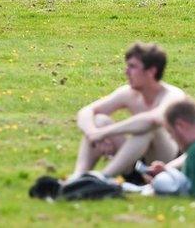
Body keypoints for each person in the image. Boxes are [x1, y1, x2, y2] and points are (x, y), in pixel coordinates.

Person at [70, 43, 186, 180]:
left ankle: (102, 177)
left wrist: (103, 133)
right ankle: (77, 178)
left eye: (132, 66)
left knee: (148, 129)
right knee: (100, 120)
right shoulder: (129, 93)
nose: (126, 71)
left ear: (151, 71)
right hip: (136, 162)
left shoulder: (172, 96)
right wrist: (92, 132)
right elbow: (86, 111)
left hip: (167, 164)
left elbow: (151, 120)